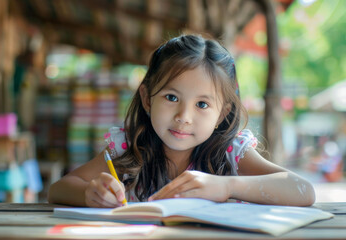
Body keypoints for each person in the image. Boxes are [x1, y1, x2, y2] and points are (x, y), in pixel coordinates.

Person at [48, 34, 315, 207]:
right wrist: (88, 193)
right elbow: (58, 189)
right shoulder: (129, 147)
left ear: (221, 114)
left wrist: (226, 186)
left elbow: (302, 190)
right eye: (172, 98)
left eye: (202, 104)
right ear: (148, 98)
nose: (183, 118)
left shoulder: (230, 152)